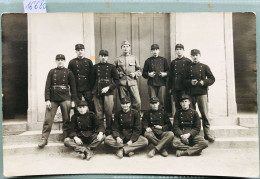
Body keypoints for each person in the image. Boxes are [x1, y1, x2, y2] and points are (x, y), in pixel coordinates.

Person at [38, 54, 77, 148]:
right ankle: (44, 139)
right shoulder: (52, 71)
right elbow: (47, 86)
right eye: (58, 60)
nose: (60, 61)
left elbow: (73, 88)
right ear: (56, 61)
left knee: (66, 119)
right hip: (53, 98)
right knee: (48, 119)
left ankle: (66, 138)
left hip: (65, 97)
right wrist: (47, 99)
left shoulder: (69, 72)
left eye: (62, 60)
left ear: (64, 61)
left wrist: (73, 101)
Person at [184, 49, 215, 142]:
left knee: (204, 114)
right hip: (191, 94)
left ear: (200, 55)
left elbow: (212, 79)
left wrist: (204, 82)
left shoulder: (205, 67)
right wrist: (190, 82)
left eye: (196, 55)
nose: (195, 57)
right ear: (191, 57)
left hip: (202, 93)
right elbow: (183, 81)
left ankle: (207, 133)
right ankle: (193, 134)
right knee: (191, 115)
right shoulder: (187, 68)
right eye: (193, 55)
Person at [90, 50, 119, 135]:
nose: (103, 57)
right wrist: (93, 92)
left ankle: (109, 130)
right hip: (97, 92)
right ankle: (100, 130)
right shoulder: (95, 67)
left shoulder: (111, 67)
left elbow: (117, 81)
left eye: (105, 56)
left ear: (107, 57)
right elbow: (91, 81)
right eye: (101, 56)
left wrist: (109, 87)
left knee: (109, 112)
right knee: (99, 113)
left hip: (108, 92)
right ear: (99, 57)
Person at [114, 40, 142, 112]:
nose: (125, 48)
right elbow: (113, 71)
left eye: (127, 46)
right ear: (121, 48)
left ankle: (136, 117)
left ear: (130, 48)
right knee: (124, 102)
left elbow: (139, 71)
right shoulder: (118, 59)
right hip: (122, 83)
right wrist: (118, 73)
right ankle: (125, 118)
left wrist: (135, 74)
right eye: (124, 46)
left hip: (132, 82)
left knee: (137, 101)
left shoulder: (134, 58)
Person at [68, 44, 94, 112]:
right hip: (76, 86)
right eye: (78, 50)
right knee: (77, 105)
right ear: (75, 51)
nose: (80, 52)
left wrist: (92, 88)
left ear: (84, 51)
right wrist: (72, 88)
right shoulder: (72, 62)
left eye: (81, 50)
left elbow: (92, 75)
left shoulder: (89, 61)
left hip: (87, 86)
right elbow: (70, 76)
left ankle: (91, 119)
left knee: (91, 104)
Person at [142, 44, 169, 110]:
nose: (155, 51)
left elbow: (169, 71)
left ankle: (161, 114)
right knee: (153, 100)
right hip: (152, 83)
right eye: (153, 50)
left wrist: (165, 74)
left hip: (162, 83)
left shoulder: (163, 60)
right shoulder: (148, 61)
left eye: (156, 50)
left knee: (161, 101)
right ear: (151, 51)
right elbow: (144, 73)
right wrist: (149, 74)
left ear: (159, 50)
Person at [168, 44, 192, 115]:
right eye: (177, 50)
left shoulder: (188, 61)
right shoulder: (173, 62)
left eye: (180, 49)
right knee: (177, 104)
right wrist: (170, 87)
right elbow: (171, 76)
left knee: (185, 104)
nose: (179, 51)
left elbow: (190, 74)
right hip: (175, 87)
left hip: (184, 87)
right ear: (175, 51)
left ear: (183, 51)